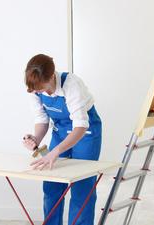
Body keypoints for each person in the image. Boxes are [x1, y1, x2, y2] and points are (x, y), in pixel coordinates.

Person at [23, 54, 102, 225]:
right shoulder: (34, 90)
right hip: (60, 131)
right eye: (34, 90)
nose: (37, 92)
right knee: (52, 184)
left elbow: (81, 126)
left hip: (85, 133)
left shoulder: (72, 84)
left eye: (41, 89)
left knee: (82, 186)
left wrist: (56, 152)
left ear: (51, 76)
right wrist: (35, 139)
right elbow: (42, 120)